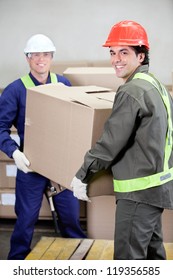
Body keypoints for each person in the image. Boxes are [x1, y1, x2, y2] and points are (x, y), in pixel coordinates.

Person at [70, 20, 173, 260]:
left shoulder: (132, 90)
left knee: (128, 261)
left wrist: (82, 174)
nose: (116, 59)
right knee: (151, 256)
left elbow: (110, 143)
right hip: (154, 189)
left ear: (141, 55)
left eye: (124, 52)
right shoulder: (156, 85)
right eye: (112, 52)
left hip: (138, 192)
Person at [0, 34, 86, 260]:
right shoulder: (15, 90)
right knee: (26, 218)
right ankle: (16, 264)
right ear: (27, 58)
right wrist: (14, 152)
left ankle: (78, 263)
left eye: (45, 54)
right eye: (35, 55)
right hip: (31, 165)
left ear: (52, 57)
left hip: (61, 165)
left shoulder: (63, 84)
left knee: (70, 218)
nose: (41, 59)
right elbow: (0, 127)